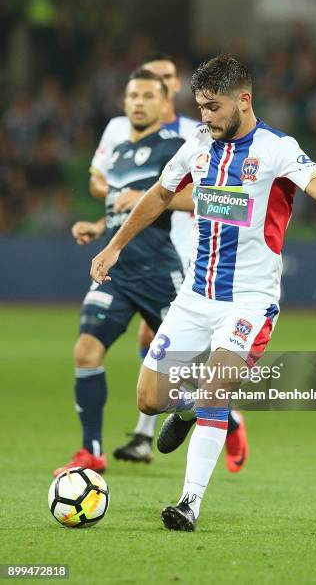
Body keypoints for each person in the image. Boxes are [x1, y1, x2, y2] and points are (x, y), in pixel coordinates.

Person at [90, 55, 316, 531]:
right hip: (195, 297)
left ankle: (189, 502)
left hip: (248, 301)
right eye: (200, 107)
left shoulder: (276, 149)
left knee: (215, 386)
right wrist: (114, 247)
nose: (205, 117)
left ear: (243, 100)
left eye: (213, 107)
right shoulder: (198, 145)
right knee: (148, 400)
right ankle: (189, 406)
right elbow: (161, 195)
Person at [90, 53, 248, 469]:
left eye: (161, 79)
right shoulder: (125, 134)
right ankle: (148, 434)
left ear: (171, 89)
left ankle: (227, 417)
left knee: (180, 357)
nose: (147, 90)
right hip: (149, 249)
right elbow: (121, 194)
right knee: (150, 347)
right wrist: (102, 226)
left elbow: (220, 201)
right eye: (139, 85)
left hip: (189, 253)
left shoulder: (203, 131)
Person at [53, 68, 193, 476]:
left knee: (183, 376)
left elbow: (202, 199)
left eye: (148, 96)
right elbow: (121, 213)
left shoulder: (176, 147)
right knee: (86, 351)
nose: (138, 102)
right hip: (117, 271)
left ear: (164, 103)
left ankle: (207, 416)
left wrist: (154, 198)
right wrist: (98, 227)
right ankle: (91, 450)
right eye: (132, 95)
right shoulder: (117, 155)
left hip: (158, 272)